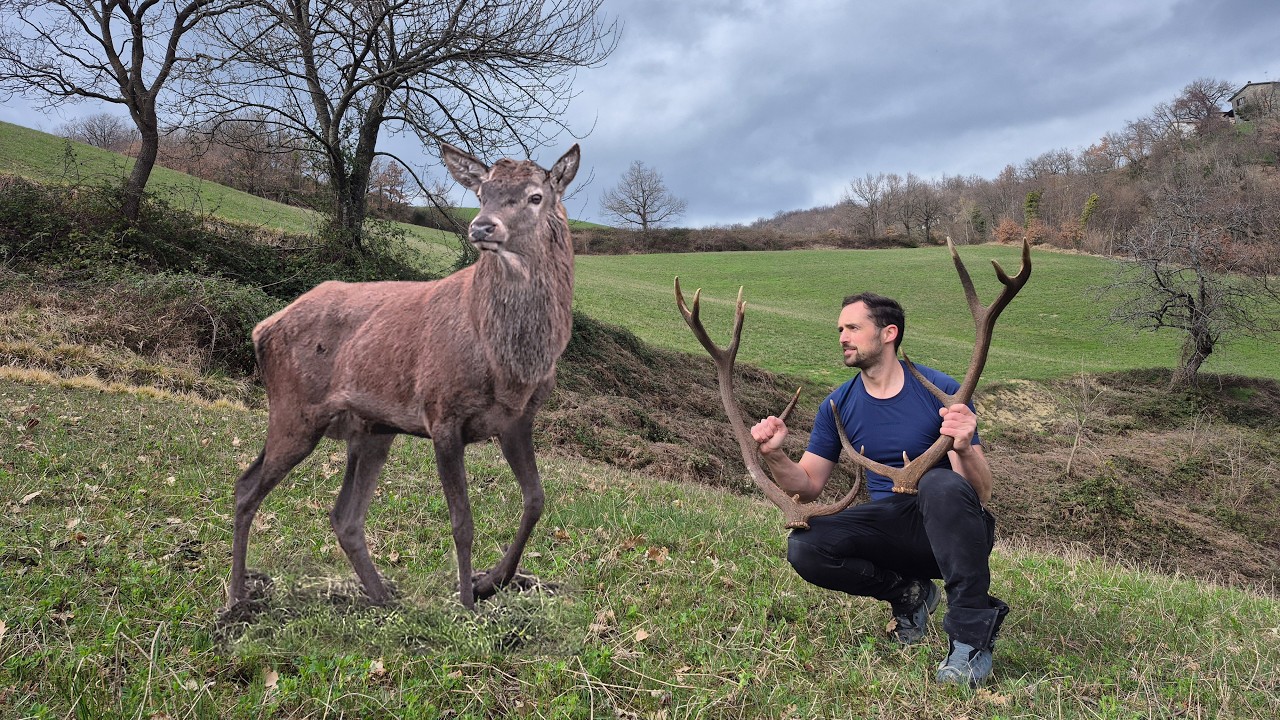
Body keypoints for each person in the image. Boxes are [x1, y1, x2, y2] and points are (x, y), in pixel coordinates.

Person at [750, 292, 1009, 688]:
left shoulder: (941, 391)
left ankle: (970, 642)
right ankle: (909, 594)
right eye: (840, 329)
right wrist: (774, 454)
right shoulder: (838, 404)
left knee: (939, 483)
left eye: (853, 327)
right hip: (890, 530)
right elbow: (808, 485)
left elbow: (980, 494)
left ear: (889, 333)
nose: (842, 337)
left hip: (952, 532)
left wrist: (963, 446)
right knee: (805, 544)